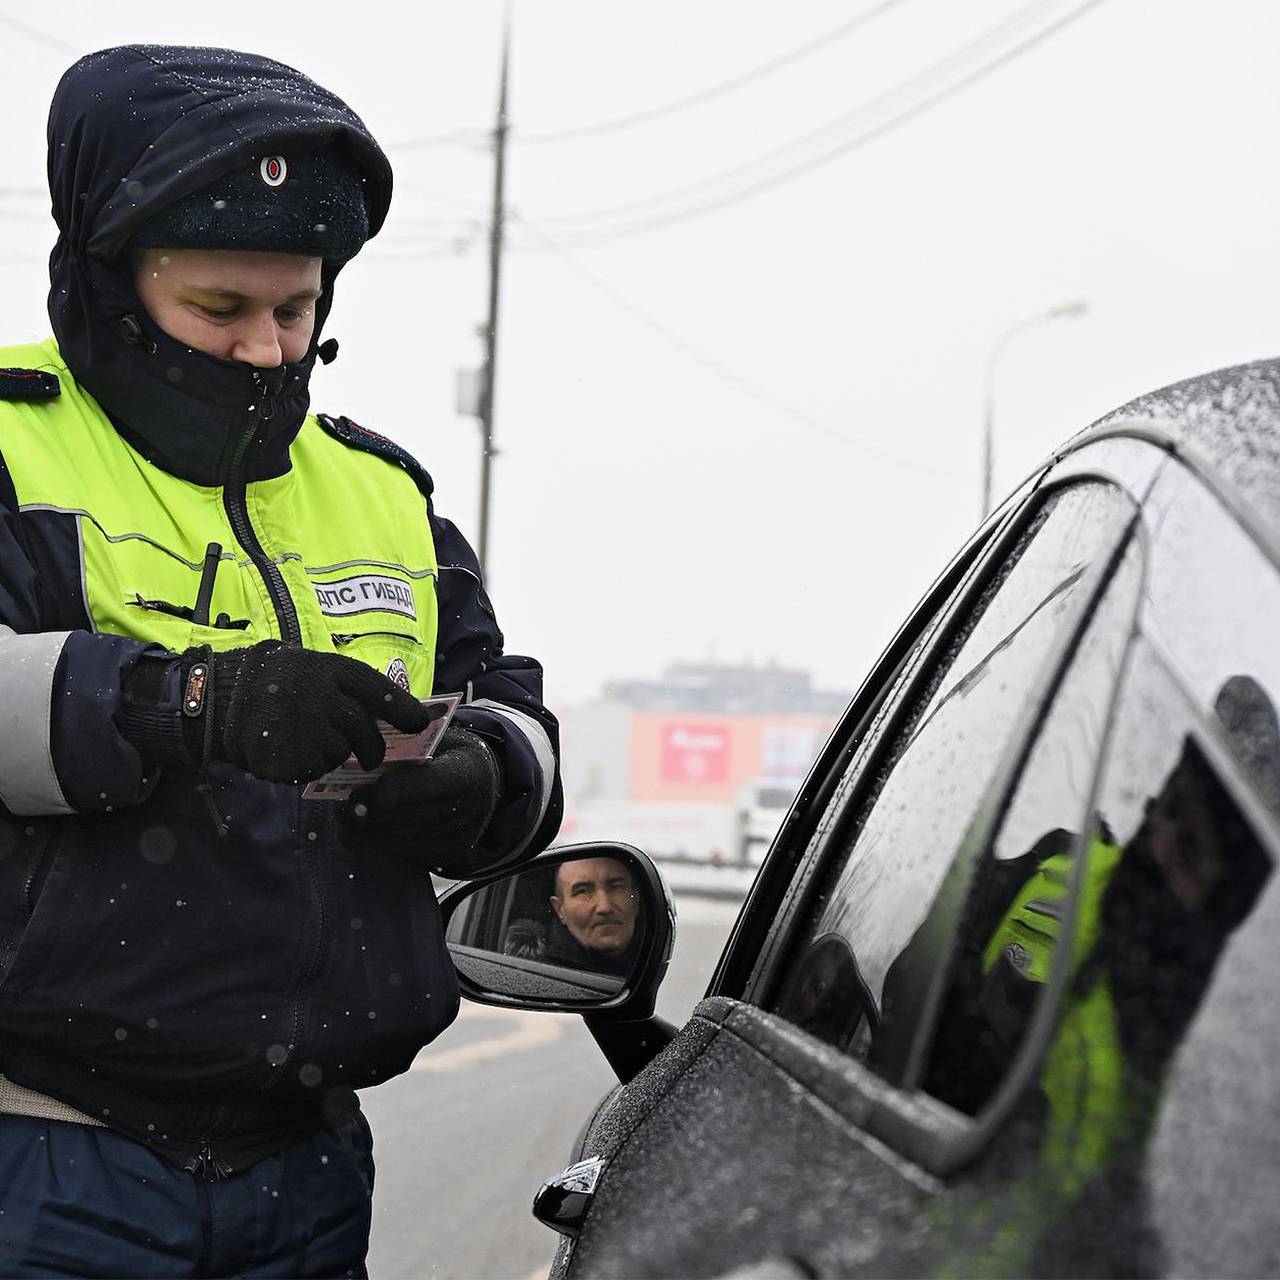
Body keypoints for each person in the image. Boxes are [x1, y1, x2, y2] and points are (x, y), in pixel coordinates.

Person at [0, 44, 562, 1278]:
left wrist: (480, 779)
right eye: (219, 309)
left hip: (307, 1161)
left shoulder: (384, 495)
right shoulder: (9, 448)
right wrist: (179, 702)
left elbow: (513, 712)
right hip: (43, 1145)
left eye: (295, 310)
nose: (267, 348)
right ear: (107, 283)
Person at [504, 856, 641, 976]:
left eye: (616, 887)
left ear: (637, 898)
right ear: (560, 910)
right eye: (583, 891)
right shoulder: (542, 975)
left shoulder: (655, 955)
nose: (604, 907)